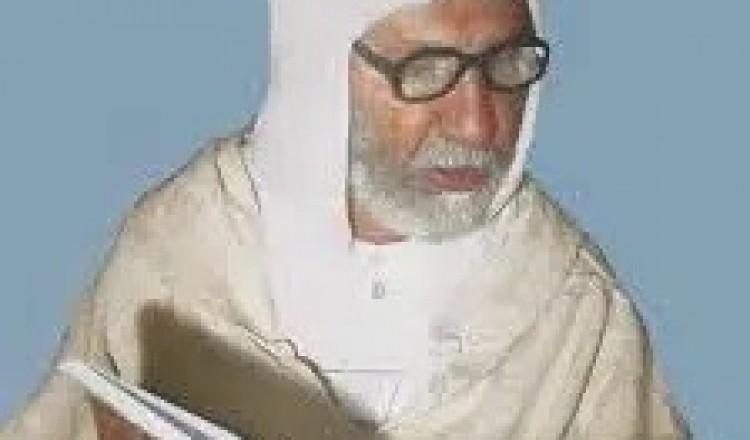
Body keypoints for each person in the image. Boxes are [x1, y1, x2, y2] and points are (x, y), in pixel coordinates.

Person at [0, 0, 692, 438]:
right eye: (426, 68)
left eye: (507, 63)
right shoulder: (177, 251)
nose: (478, 123)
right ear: (317, 68)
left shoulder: (573, 309)